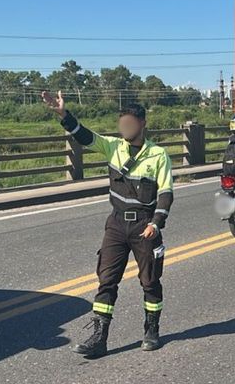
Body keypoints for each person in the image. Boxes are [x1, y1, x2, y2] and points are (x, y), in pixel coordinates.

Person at [42, 91, 173, 357]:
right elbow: (84, 135)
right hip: (116, 225)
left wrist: (157, 223)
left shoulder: (158, 155)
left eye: (130, 124)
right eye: (121, 123)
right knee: (106, 280)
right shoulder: (113, 147)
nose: (124, 128)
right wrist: (63, 115)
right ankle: (99, 338)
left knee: (150, 281)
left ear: (142, 124)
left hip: (144, 226)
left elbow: (166, 193)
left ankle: (151, 329)